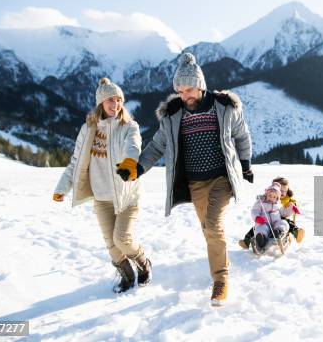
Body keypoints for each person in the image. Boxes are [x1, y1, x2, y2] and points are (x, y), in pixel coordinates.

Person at [119, 52, 253, 306]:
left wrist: (245, 164)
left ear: (200, 85)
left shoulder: (224, 107)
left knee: (213, 225)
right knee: (208, 230)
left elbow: (242, 136)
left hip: (221, 179)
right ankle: (220, 261)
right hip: (194, 183)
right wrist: (138, 168)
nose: (185, 96)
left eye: (188, 90)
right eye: (180, 91)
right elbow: (158, 145)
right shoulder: (173, 114)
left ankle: (221, 280)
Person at [53, 78, 152, 293]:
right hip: (101, 198)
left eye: (119, 100)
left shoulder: (129, 126)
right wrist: (62, 188)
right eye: (110, 100)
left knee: (122, 240)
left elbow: (133, 146)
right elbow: (76, 162)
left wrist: (129, 162)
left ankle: (144, 263)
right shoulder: (88, 130)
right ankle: (127, 276)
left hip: (127, 196)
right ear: (100, 103)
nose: (115, 104)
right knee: (112, 246)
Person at [239, 176, 304, 249]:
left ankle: (288, 232)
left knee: (286, 222)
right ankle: (254, 239)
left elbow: (288, 207)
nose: (283, 193)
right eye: (281, 190)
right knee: (258, 228)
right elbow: (255, 210)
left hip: (279, 219)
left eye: (285, 191)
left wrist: (292, 207)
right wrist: (257, 217)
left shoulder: (284, 199)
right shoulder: (264, 200)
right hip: (265, 221)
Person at [251, 182, 289, 252]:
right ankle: (261, 238)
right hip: (264, 222)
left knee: (284, 223)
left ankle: (279, 232)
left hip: (275, 223)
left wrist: (291, 208)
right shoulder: (261, 202)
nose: (271, 198)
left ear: (277, 198)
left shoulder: (278, 205)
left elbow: (284, 212)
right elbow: (254, 210)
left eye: (274, 197)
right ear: (266, 194)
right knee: (261, 228)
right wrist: (257, 217)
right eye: (270, 195)